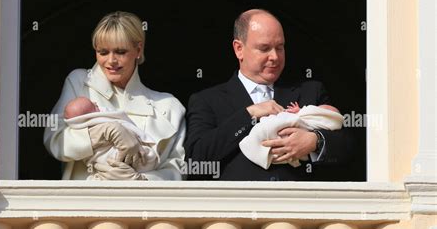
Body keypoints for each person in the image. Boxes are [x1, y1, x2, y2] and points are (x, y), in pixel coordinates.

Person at [184, 9, 352, 181]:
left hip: (299, 204)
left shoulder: (311, 91)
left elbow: (347, 147)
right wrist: (249, 114)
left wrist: (315, 141)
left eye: (280, 48)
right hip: (239, 205)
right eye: (264, 48)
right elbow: (195, 159)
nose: (275, 57)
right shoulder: (207, 100)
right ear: (239, 49)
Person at [44, 11, 185, 181]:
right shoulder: (79, 82)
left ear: (138, 50)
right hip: (84, 204)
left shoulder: (169, 106)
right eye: (103, 52)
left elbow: (176, 168)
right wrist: (102, 133)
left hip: (142, 205)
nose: (111, 60)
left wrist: (142, 181)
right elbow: (55, 140)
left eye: (120, 52)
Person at [63, 96, 159, 179]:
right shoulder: (76, 80)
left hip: (147, 178)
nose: (96, 103)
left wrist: (143, 181)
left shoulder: (168, 105)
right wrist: (103, 131)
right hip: (101, 172)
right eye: (94, 106)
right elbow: (59, 137)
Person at [239, 101, 343, 169]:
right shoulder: (222, 96)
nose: (273, 65)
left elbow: (343, 139)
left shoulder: (314, 88)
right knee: (266, 128)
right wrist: (249, 112)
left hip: (300, 187)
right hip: (242, 188)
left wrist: (315, 140)